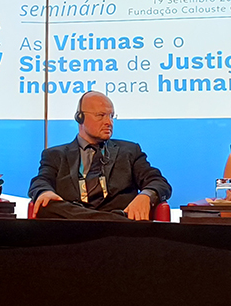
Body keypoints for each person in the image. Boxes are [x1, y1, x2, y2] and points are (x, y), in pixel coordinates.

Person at [29, 91, 171, 220]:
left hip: (117, 232)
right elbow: (40, 181)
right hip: (75, 228)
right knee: (46, 206)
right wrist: (44, 192)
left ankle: (108, 220)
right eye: (101, 116)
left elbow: (159, 182)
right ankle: (115, 219)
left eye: (111, 116)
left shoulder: (130, 151)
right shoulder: (55, 155)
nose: (109, 122)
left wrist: (147, 195)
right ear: (80, 118)